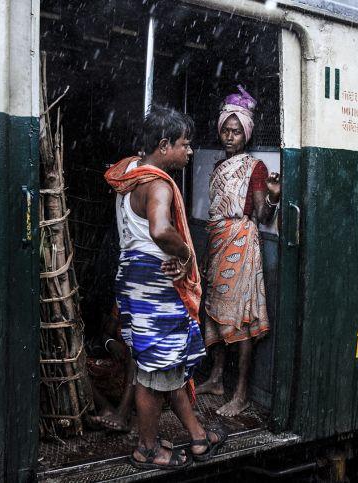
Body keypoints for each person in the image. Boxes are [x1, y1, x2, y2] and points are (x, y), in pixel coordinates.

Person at [104, 105, 227, 470]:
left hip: (133, 277)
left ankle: (197, 436)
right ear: (164, 145)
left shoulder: (129, 173)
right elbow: (159, 230)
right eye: (184, 144)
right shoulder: (157, 184)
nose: (189, 151)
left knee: (162, 364)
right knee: (154, 372)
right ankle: (146, 448)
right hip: (155, 283)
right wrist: (185, 253)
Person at [196, 85, 281, 417]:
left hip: (241, 245)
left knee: (240, 319)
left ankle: (242, 393)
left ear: (246, 134)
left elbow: (262, 215)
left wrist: (272, 196)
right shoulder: (219, 166)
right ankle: (217, 379)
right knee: (214, 311)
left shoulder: (254, 168)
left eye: (237, 131)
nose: (230, 137)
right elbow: (215, 212)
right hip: (218, 242)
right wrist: (207, 254)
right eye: (226, 131)